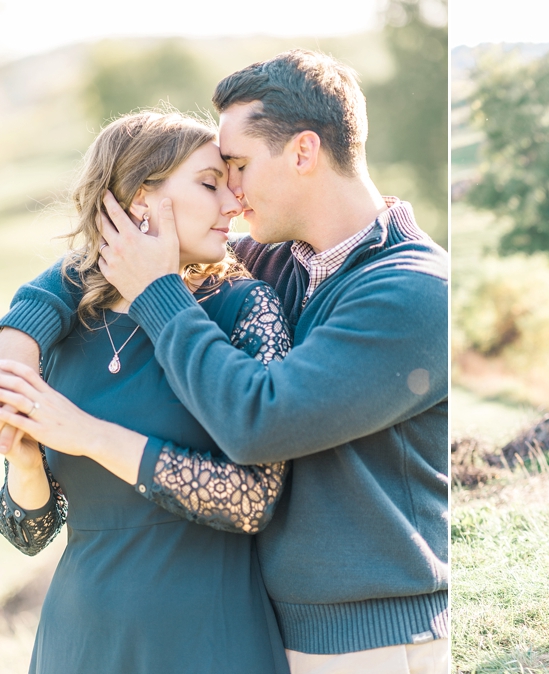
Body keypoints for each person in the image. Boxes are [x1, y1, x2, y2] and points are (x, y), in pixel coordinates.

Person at [0, 49, 449, 674]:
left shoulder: (414, 291)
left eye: (234, 167)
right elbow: (103, 260)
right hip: (258, 625)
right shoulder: (283, 260)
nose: (233, 196)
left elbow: (259, 423)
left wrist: (152, 303)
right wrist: (19, 338)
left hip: (373, 641)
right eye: (217, 176)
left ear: (302, 152)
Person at [0, 110, 293, 674]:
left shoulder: (244, 308)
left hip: (208, 636)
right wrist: (27, 460)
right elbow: (28, 533)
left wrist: (85, 435)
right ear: (140, 200)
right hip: (78, 641)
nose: (234, 203)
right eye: (210, 184)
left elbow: (253, 499)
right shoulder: (66, 323)